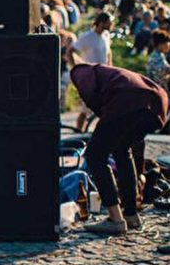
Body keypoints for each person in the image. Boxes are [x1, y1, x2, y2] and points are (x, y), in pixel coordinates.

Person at [69, 63, 168, 235]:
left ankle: (115, 219)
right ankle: (131, 215)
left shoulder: (80, 73)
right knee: (122, 150)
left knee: (94, 156)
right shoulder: (109, 73)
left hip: (128, 101)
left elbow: (93, 98)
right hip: (157, 103)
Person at [67, 11, 115, 131]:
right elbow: (70, 51)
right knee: (86, 107)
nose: (111, 25)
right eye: (109, 22)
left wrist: (111, 67)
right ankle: (79, 132)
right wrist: (76, 68)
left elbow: (108, 52)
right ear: (102, 23)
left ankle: (102, 132)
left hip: (104, 75)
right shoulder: (87, 37)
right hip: (91, 76)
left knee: (105, 106)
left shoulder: (106, 35)